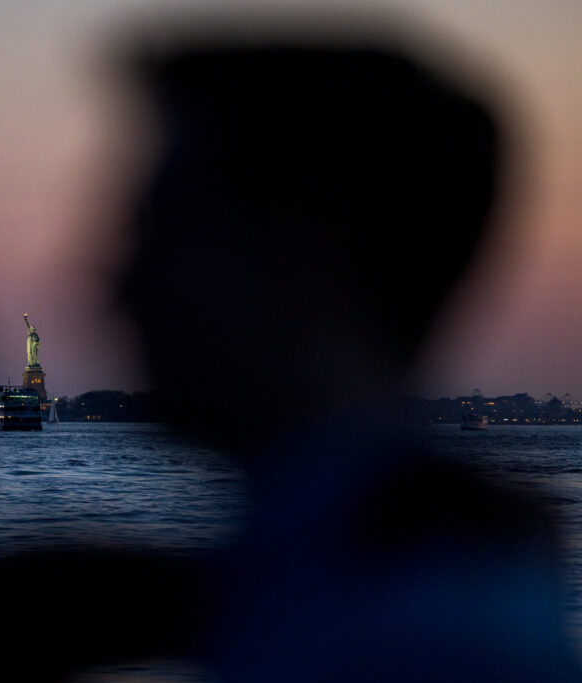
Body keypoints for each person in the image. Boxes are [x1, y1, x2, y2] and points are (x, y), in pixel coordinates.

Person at [119, 29, 582, 681]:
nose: (120, 284)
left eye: (158, 233)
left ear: (299, 257)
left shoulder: (421, 642)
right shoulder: (347, 574)